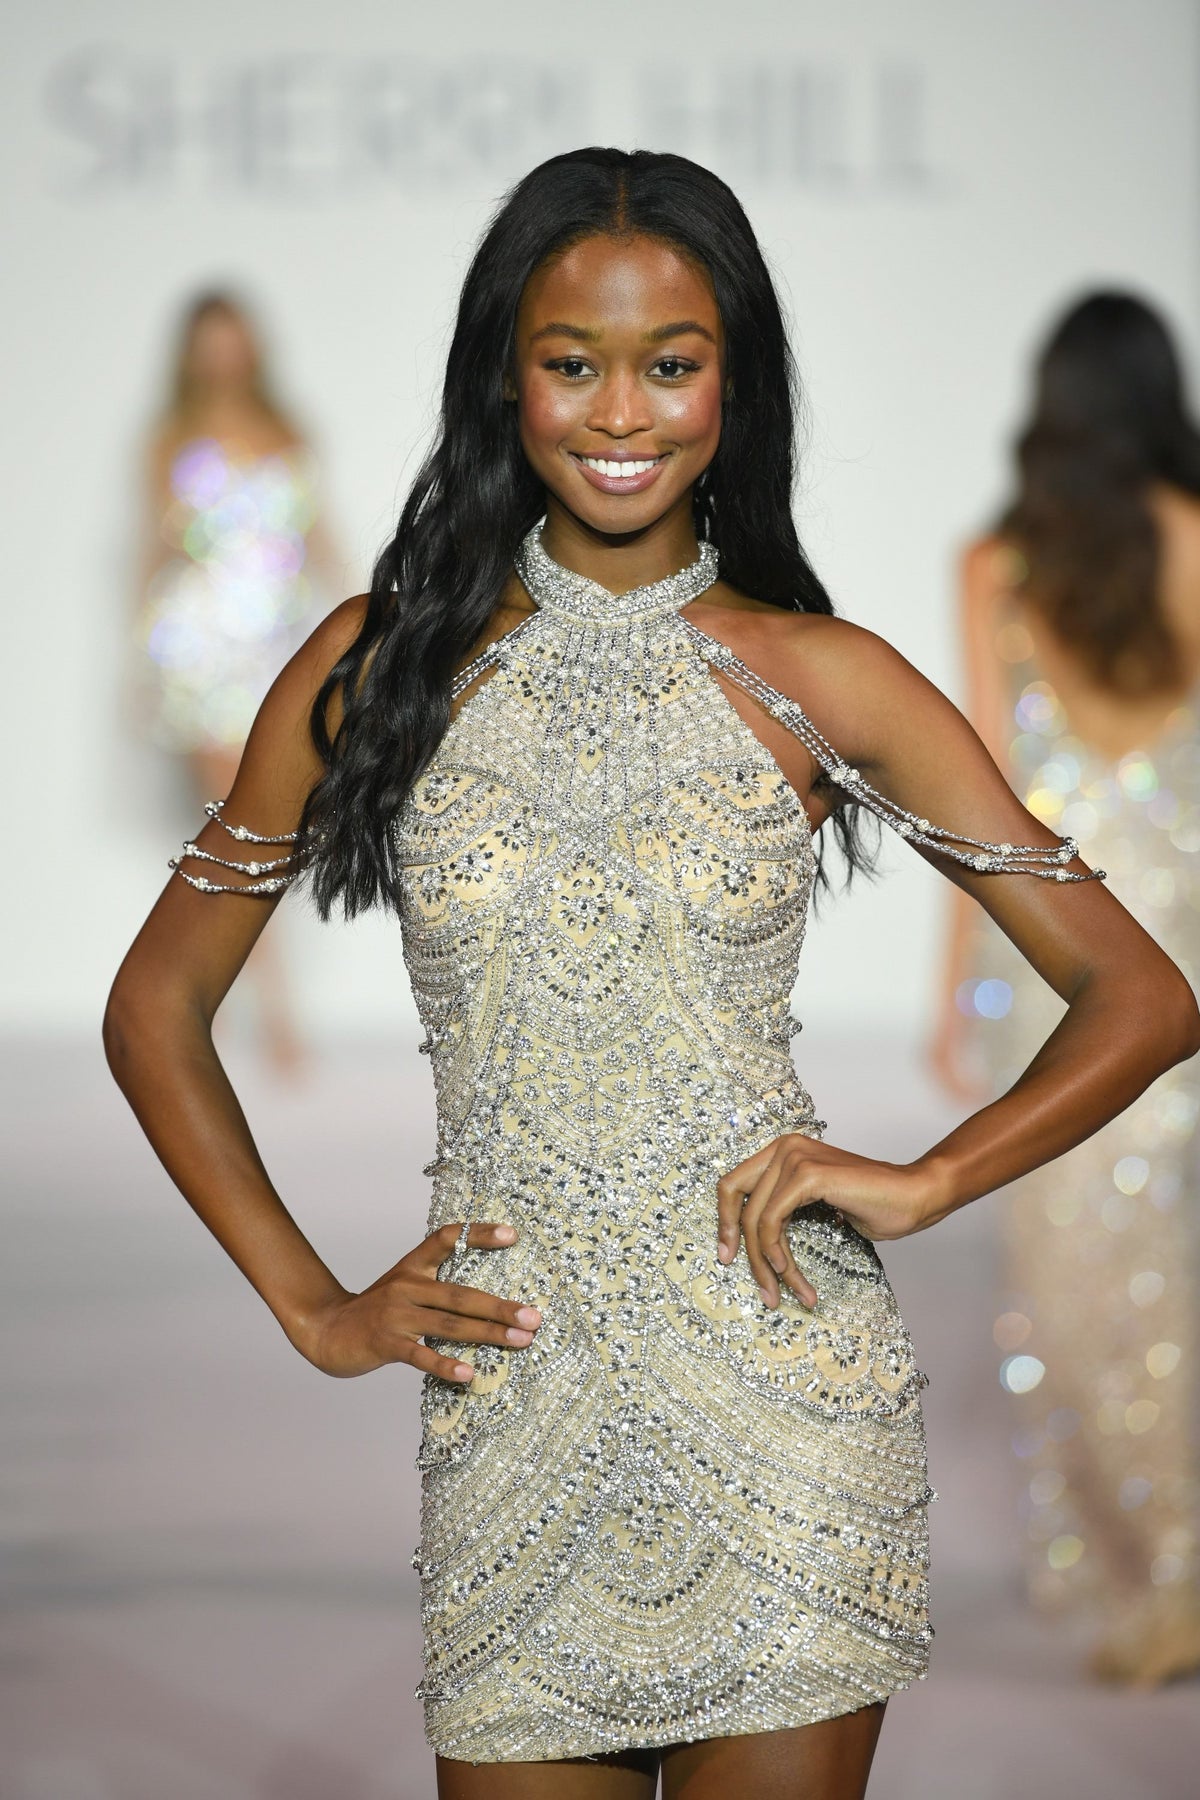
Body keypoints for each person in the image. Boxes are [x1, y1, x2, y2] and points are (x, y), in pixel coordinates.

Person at [104, 155, 1198, 1799]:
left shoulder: (820, 677)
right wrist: (316, 1308)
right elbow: (154, 1007)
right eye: (573, 361)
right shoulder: (380, 663)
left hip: (787, 1410)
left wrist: (929, 1179)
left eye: (671, 363)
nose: (622, 411)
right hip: (513, 1417)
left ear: (732, 383)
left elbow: (1144, 992)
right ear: (507, 375)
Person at [934, 292, 1200, 1689]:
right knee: (1152, 1252)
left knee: (1071, 1260)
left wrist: (949, 992)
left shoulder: (1000, 565)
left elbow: (977, 806)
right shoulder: (1195, 541)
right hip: (1177, 925)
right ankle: (1167, 1562)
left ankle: (1168, 1564)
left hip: (1052, 943)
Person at [132, 290, 338, 1070]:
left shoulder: (288, 432)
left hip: (275, 653)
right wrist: (138, 659)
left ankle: (200, 1003)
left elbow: (317, 534)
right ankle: (259, 1015)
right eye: (209, 343)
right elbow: (152, 550)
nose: (222, 356)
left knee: (266, 835)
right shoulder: (170, 438)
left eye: (233, 340)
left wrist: (370, 620)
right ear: (191, 353)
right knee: (236, 833)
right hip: (202, 653)